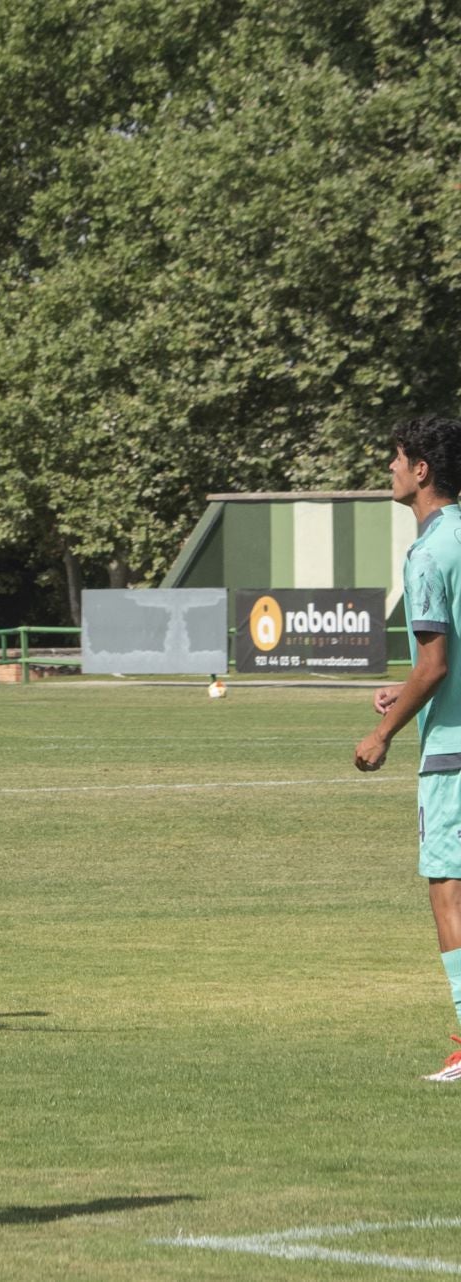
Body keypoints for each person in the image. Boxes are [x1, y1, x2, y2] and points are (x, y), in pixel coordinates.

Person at [356, 415, 461, 1082]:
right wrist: (405, 692)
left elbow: (437, 663)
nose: (390, 469)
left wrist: (382, 733)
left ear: (421, 470)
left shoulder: (427, 553)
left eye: (396, 459)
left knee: (449, 887)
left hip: (454, 753)